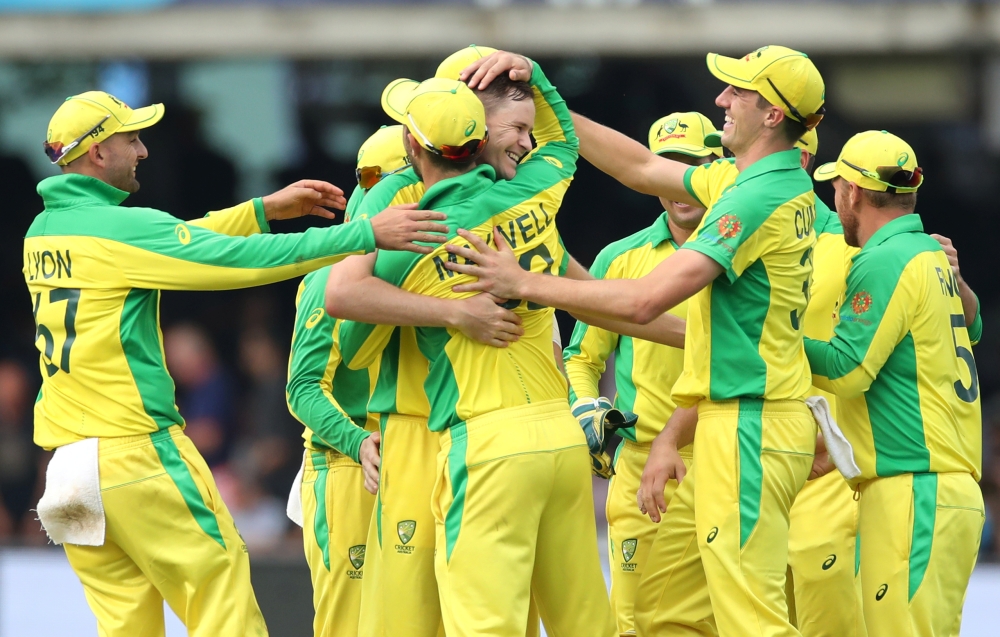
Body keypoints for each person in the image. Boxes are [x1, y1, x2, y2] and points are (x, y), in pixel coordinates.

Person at [25, 90, 447, 637]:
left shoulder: (44, 231)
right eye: (132, 139)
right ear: (98, 153)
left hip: (67, 465)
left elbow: (176, 240)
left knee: (126, 627)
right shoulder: (118, 228)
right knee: (222, 602)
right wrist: (364, 234)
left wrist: (259, 212)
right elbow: (236, 262)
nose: (144, 151)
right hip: (133, 454)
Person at [446, 46, 826, 637]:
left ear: (773, 115)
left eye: (737, 91)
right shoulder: (755, 179)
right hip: (743, 422)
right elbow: (641, 168)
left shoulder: (754, 197)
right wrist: (545, 97)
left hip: (750, 424)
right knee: (674, 617)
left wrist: (522, 282)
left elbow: (646, 300)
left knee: (754, 622)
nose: (721, 99)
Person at [340, 68, 615, 636]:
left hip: (484, 443)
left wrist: (446, 306)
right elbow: (564, 137)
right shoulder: (537, 192)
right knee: (586, 623)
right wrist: (532, 72)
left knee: (484, 626)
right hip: (561, 435)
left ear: (412, 146)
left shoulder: (418, 234)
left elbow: (349, 325)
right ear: (484, 137)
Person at [285, 125, 522, 637]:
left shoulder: (454, 262)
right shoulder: (332, 276)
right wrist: (356, 442)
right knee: (352, 625)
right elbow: (302, 387)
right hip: (352, 464)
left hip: (432, 451)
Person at [806, 130, 984, 637]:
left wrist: (772, 335)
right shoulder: (929, 253)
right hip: (936, 490)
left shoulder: (884, 259)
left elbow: (846, 369)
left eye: (836, 188)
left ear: (854, 192)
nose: (833, 199)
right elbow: (974, 327)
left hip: (914, 489)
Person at [562, 110, 721, 636]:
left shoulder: (744, 251)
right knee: (632, 623)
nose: (677, 182)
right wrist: (585, 404)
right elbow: (582, 357)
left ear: (716, 166)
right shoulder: (621, 257)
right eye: (667, 165)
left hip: (728, 452)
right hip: (641, 466)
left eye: (690, 165)